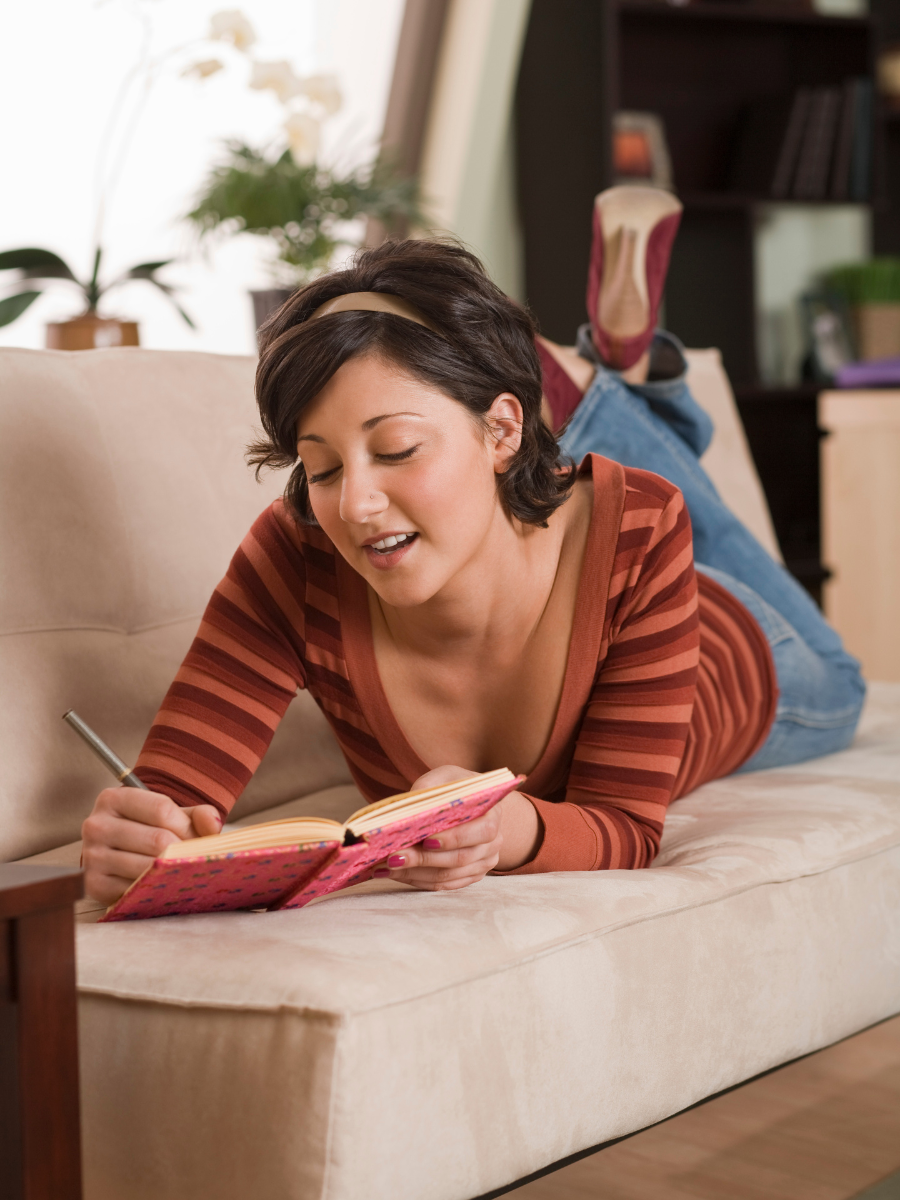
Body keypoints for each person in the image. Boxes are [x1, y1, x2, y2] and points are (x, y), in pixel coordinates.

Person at [81, 230, 865, 907]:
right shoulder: (296, 554)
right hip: (567, 530)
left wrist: (513, 830)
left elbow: (627, 827)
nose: (354, 504)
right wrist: (135, 836)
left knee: (837, 668)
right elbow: (173, 795)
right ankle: (600, 389)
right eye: (320, 469)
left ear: (499, 431)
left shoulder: (637, 531)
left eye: (397, 451)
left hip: (752, 650)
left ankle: (616, 390)